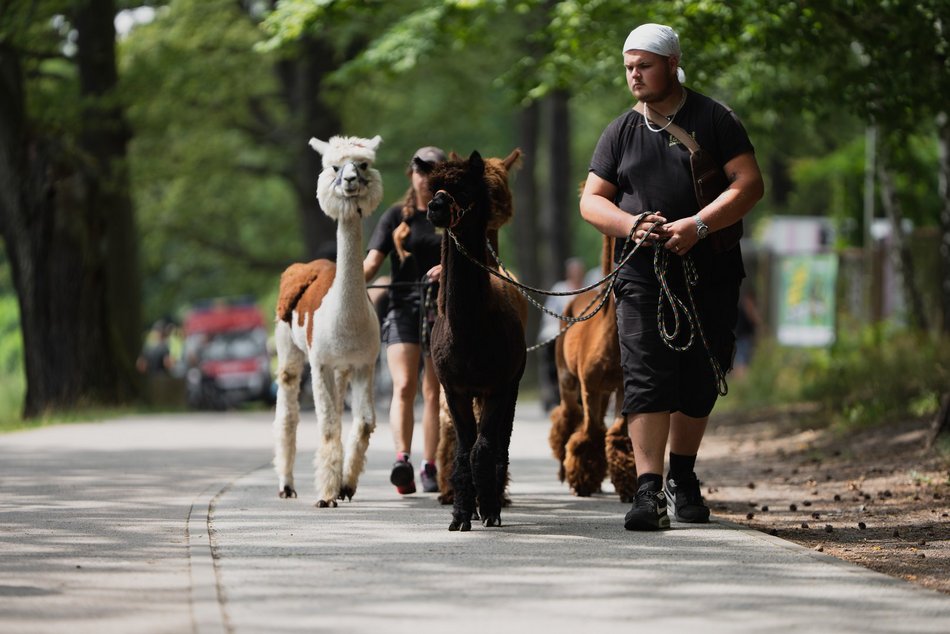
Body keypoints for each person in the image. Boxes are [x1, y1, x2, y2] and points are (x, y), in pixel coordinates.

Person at [579, 24, 764, 530]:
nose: (634, 75)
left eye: (644, 65)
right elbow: (591, 201)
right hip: (641, 271)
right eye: (628, 67)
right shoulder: (620, 130)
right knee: (645, 374)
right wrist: (632, 225)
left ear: (673, 62)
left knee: (702, 375)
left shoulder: (715, 118)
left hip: (713, 268)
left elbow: (749, 184)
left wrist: (700, 226)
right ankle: (647, 491)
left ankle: (683, 475)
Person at [363, 146, 447, 495]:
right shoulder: (396, 215)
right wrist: (343, 281)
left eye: (433, 171)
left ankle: (430, 465)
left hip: (441, 311)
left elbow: (473, 257)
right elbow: (370, 264)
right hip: (401, 308)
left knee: (433, 391)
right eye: (420, 170)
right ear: (410, 174)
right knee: (403, 386)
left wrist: (449, 267)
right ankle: (402, 460)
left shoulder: (451, 216)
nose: (426, 177)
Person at [537, 257, 587, 412]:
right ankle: (552, 394)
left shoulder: (589, 289)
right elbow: (549, 315)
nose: (576, 274)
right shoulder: (560, 288)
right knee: (550, 344)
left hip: (582, 333)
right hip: (560, 330)